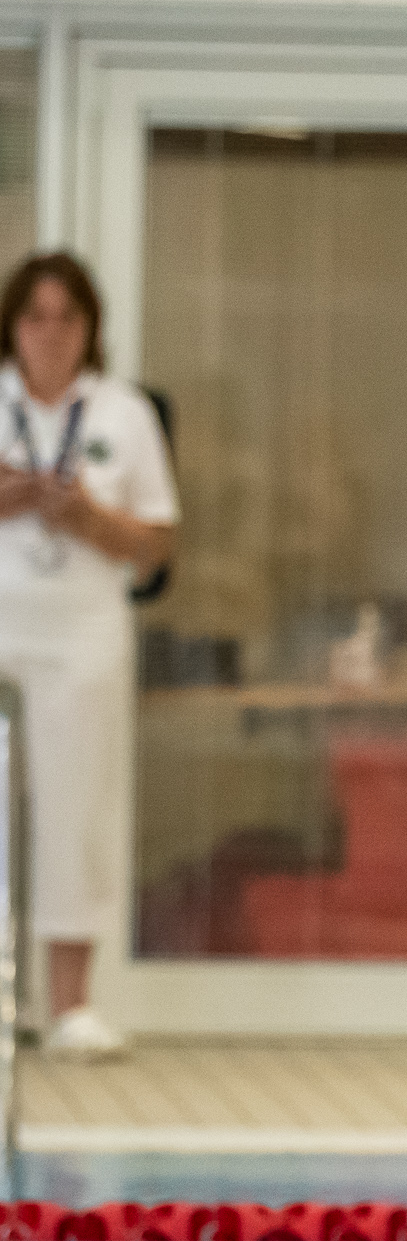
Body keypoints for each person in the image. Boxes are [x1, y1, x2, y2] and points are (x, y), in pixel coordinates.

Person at [0, 252, 179, 1058]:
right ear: (12, 325)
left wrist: (85, 516)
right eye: (35, 316)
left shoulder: (123, 412)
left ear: (89, 328)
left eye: (65, 317)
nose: (49, 333)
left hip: (81, 629)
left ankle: (69, 1003)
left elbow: (157, 544)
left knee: (76, 810)